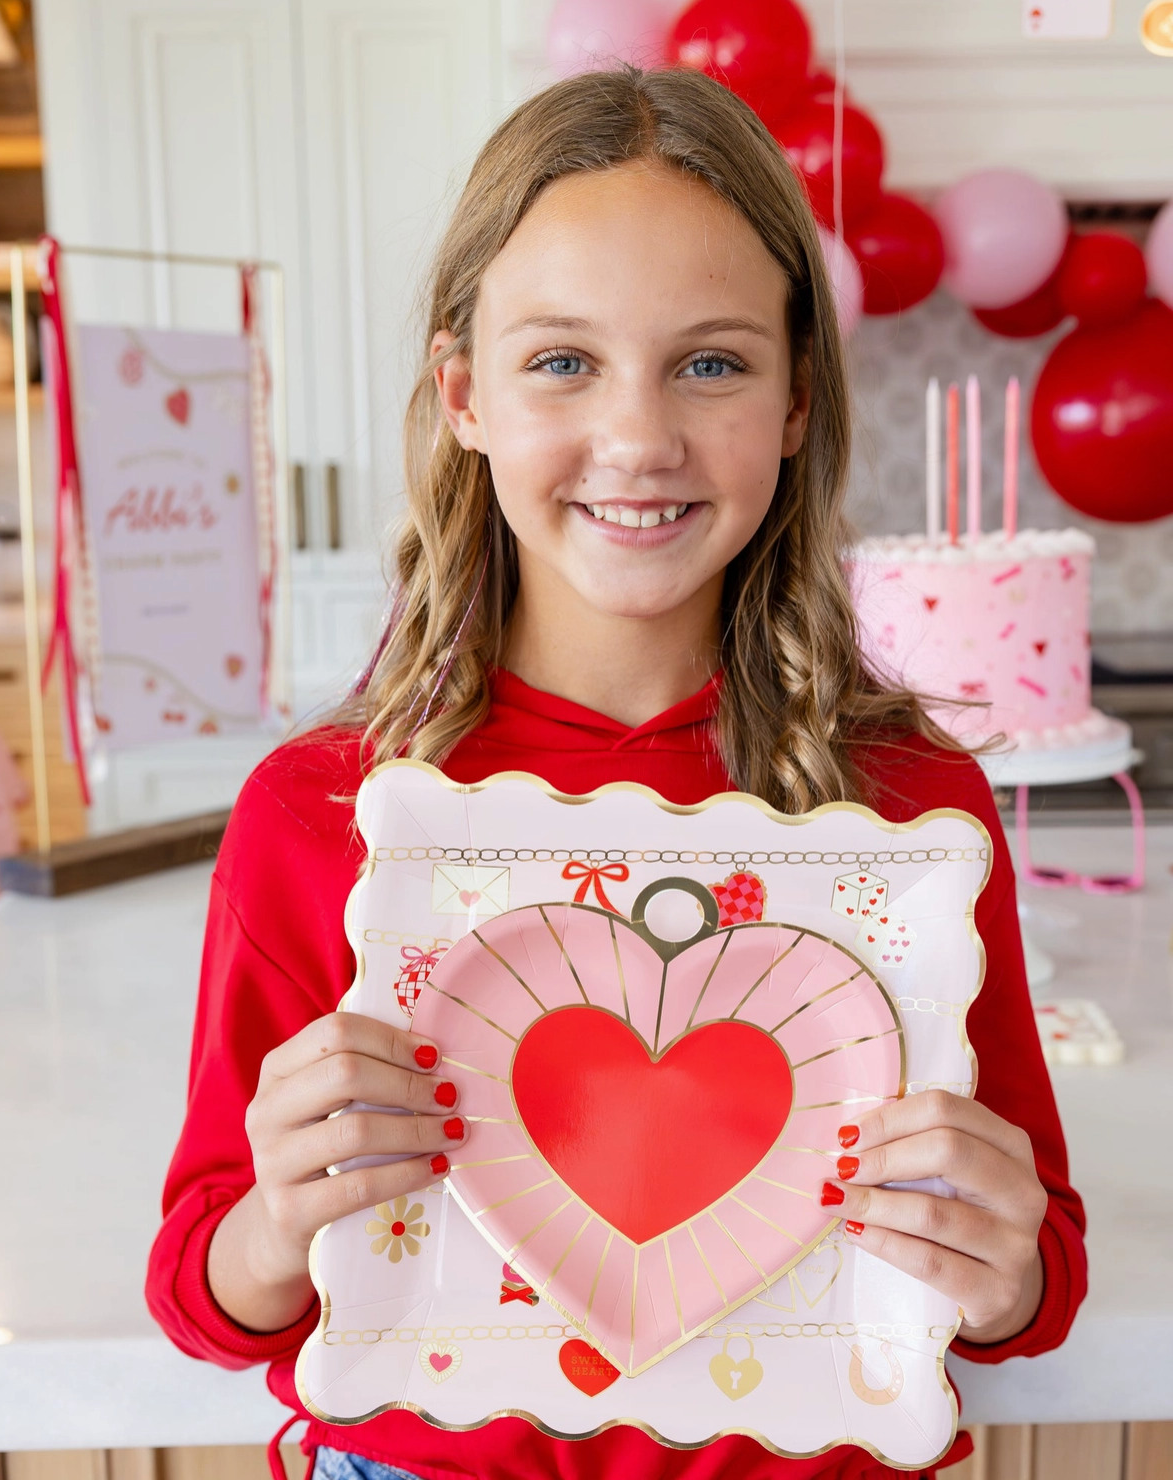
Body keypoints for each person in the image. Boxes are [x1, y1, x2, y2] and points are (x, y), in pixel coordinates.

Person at [147, 66, 1085, 1480]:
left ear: (794, 401)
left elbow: (1036, 1279)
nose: (639, 439)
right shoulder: (327, 813)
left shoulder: (905, 814)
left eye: (711, 362)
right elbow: (206, 1297)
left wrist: (1001, 1260)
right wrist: (279, 1221)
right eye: (562, 361)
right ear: (463, 393)